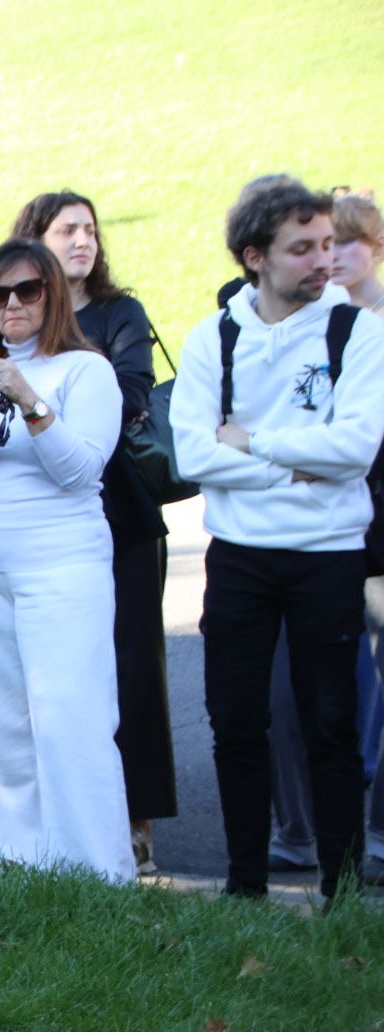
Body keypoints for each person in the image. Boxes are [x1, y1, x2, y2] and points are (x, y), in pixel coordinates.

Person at [172, 178, 384, 901]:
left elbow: (355, 449)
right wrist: (295, 468)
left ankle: (342, 889)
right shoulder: (215, 337)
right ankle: (244, 885)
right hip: (239, 558)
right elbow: (195, 457)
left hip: (328, 554)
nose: (321, 260)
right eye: (302, 249)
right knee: (235, 720)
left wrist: (254, 444)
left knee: (331, 723)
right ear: (254, 257)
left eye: (327, 244)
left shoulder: (358, 330)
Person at [0, 237, 131, 882]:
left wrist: (31, 399)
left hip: (61, 564)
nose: (12, 303)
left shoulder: (85, 371)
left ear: (53, 294)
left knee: (71, 718)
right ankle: (26, 865)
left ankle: (98, 874)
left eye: (27, 290)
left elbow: (80, 471)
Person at [12, 190, 176, 875]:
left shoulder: (120, 313)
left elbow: (130, 394)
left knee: (130, 668)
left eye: (90, 229)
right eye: (67, 229)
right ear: (35, 241)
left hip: (120, 520)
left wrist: (47, 399)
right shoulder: (14, 321)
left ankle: (132, 820)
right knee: (47, 676)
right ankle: (57, 820)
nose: (83, 240)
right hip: (33, 524)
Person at [331, 192, 384, 885]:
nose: (336, 254)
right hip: (334, 520)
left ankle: (376, 836)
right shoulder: (316, 324)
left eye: (351, 241)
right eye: (324, 242)